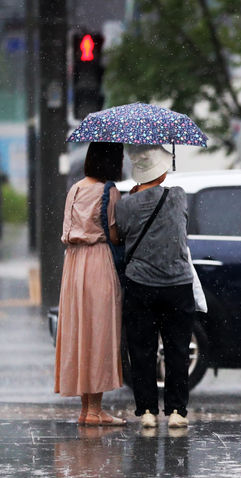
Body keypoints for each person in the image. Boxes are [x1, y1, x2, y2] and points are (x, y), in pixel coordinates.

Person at [115, 144, 195, 429]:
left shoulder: (126, 203)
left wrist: (133, 198)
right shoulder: (178, 196)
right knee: (177, 349)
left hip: (141, 284)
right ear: (162, 172)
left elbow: (119, 233)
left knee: (142, 349)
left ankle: (147, 410)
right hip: (178, 285)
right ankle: (177, 411)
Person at [54, 141, 125, 426]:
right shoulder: (109, 191)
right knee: (98, 332)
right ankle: (95, 411)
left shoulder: (75, 188)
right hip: (97, 261)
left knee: (80, 332)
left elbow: (68, 229)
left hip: (73, 264)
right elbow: (114, 235)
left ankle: (87, 409)